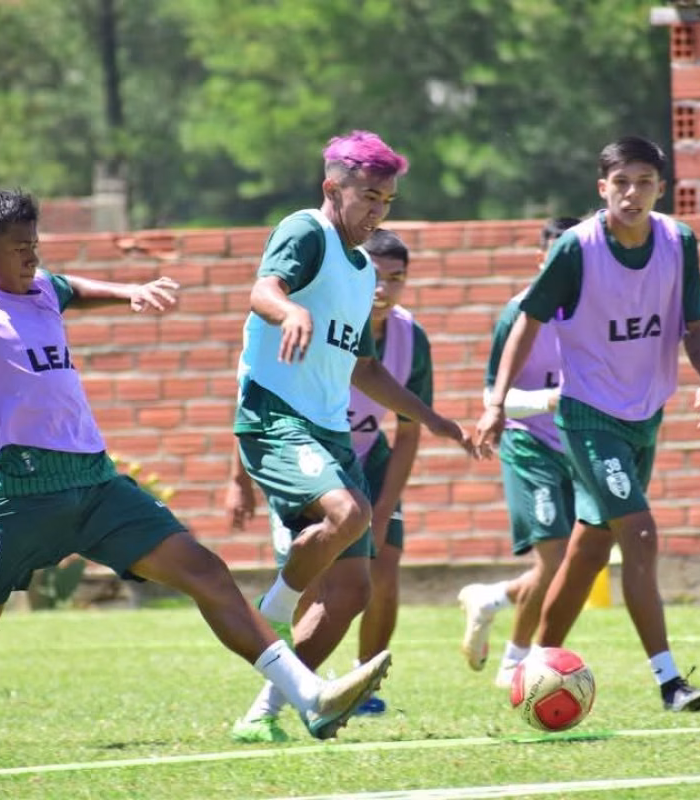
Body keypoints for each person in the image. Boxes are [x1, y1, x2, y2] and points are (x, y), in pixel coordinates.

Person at [0, 189, 390, 751]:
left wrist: (131, 291)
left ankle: (307, 698)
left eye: (35, 244)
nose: (31, 257)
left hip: (98, 486)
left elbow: (71, 286)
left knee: (206, 571)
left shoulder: (42, 287)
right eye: (18, 248)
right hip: (21, 495)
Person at [228, 131, 477, 743]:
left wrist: (432, 418)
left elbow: (365, 367)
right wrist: (291, 311)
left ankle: (270, 712)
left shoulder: (364, 270)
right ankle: (276, 612)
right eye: (368, 196)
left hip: (328, 427)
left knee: (352, 590)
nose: (377, 211)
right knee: (351, 511)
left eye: (387, 201)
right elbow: (263, 290)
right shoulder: (305, 230)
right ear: (331, 188)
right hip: (275, 415)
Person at [474, 136, 700, 713]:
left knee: (588, 551)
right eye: (621, 183)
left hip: (646, 412)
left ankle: (536, 664)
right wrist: (495, 402)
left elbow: (695, 323)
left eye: (645, 182)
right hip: (588, 416)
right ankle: (669, 683)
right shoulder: (577, 249)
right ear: (602, 188)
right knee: (638, 534)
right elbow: (527, 321)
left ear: (662, 188)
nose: (632, 193)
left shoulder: (679, 242)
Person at [228, 227, 433, 718]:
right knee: (317, 579)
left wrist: (383, 509)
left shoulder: (407, 337)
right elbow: (255, 389)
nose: (383, 288)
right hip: (305, 453)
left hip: (364, 457)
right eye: (377, 277)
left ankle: (357, 680)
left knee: (372, 580)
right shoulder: (323, 306)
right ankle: (281, 630)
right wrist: (238, 478)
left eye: (396, 279)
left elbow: (405, 425)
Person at [457, 216, 581, 689]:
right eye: (556, 258)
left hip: (580, 446)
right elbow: (496, 398)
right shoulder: (520, 313)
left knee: (572, 562)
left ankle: (492, 598)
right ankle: (515, 662)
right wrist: (551, 399)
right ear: (541, 260)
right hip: (531, 447)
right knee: (554, 559)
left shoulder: (597, 308)